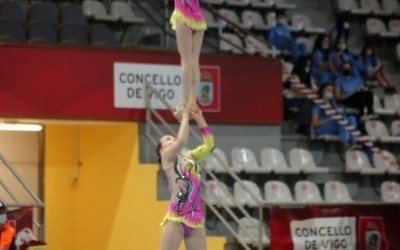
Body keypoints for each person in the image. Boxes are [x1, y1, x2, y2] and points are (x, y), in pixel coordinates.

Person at [157, 105, 214, 250]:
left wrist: (199, 117)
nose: (173, 139)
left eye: (172, 137)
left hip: (196, 219)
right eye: (168, 139)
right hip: (176, 217)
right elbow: (182, 140)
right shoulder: (167, 158)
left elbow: (209, 145)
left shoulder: (190, 156)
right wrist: (185, 115)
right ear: (162, 150)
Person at [170, 0, 207, 112]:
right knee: (194, 61)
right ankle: (192, 101)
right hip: (198, 19)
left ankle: (185, 102)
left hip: (183, 15)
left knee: (185, 61)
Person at [311, 83, 358, 148]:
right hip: (321, 128)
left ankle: (354, 142)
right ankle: (345, 143)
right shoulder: (317, 105)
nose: (330, 92)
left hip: (333, 125)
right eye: (328, 90)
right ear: (323, 91)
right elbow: (314, 123)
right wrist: (329, 119)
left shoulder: (333, 104)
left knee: (352, 118)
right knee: (341, 119)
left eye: (332, 91)